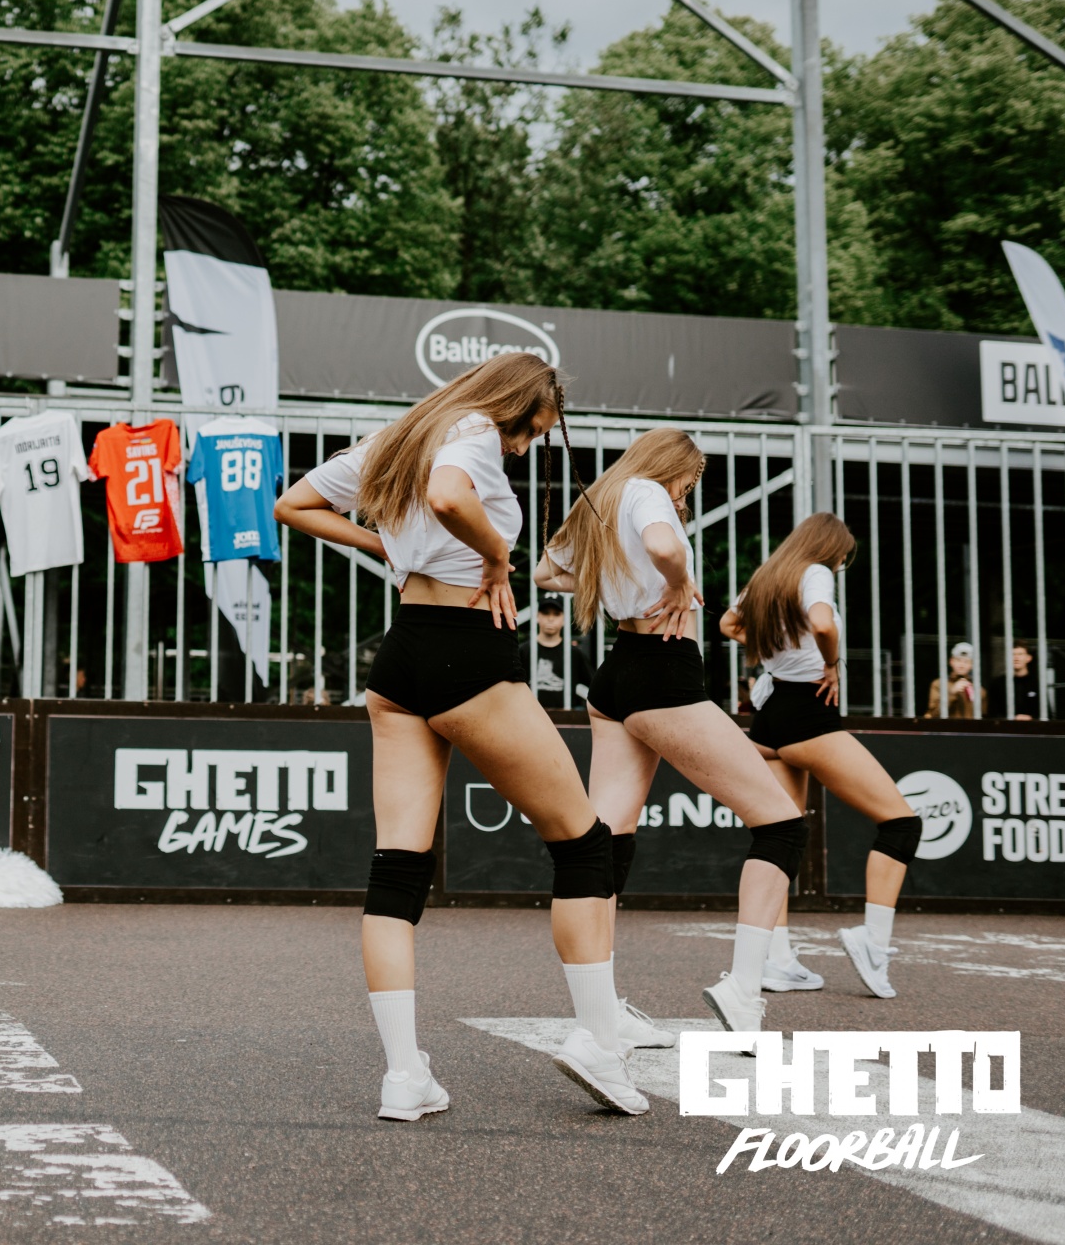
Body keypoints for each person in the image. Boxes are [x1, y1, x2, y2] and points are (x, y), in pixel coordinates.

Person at [275, 352, 647, 1120]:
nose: (526, 447)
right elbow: (449, 496)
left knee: (398, 868)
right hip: (467, 652)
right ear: (517, 404)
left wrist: (383, 547)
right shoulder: (473, 430)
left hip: (402, 655)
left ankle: (404, 1075)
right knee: (583, 845)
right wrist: (498, 555)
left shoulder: (397, 438)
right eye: (532, 430)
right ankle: (598, 1043)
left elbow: (294, 505)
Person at [535, 428, 807, 1042]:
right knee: (782, 825)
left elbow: (546, 574)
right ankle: (743, 991)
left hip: (617, 677)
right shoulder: (647, 491)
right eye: (692, 478)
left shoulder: (603, 500)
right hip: (663, 673)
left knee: (605, 847)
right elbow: (662, 544)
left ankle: (601, 1012)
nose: (688, 491)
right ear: (675, 467)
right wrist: (678, 580)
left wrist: (612, 579)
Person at [722, 514, 920, 999]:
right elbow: (823, 622)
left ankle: (778, 960)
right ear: (832, 549)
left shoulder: (768, 576)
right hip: (808, 712)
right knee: (901, 823)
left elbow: (729, 623)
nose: (840, 564)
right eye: (842, 557)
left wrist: (774, 648)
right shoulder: (815, 572)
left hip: (769, 717)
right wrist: (830, 664)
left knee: (781, 834)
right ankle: (873, 943)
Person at [531, 596, 592, 710]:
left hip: (567, 717)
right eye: (546, 613)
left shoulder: (574, 654)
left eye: (556, 614)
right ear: (537, 616)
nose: (550, 618)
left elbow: (594, 686)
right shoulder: (524, 651)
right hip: (529, 716)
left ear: (564, 618)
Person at [923, 642, 980, 719]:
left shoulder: (979, 689)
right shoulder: (938, 684)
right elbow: (932, 715)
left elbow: (984, 718)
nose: (962, 665)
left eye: (966, 662)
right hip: (946, 727)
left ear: (972, 665)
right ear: (951, 661)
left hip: (970, 727)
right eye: (958, 660)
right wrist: (951, 693)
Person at [1000, 643, 1040, 721]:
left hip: (1033, 727)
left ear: (1029, 658)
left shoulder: (1037, 684)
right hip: (1007, 727)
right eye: (1013, 654)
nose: (1016, 658)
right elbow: (993, 714)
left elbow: (1046, 713)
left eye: (1020, 654)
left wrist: (1031, 718)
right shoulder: (998, 684)